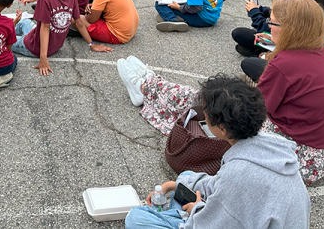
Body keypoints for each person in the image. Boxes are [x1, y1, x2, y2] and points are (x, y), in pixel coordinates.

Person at [120, 0, 324, 185]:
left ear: (291, 29)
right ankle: (150, 84)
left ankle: (146, 86)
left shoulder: (286, 63)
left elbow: (252, 110)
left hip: (293, 156)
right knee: (216, 97)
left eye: (273, 23)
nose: (269, 26)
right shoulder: (321, 53)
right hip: (322, 155)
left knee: (211, 101)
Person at [123, 76, 310, 229]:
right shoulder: (271, 146)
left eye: (206, 115)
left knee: (136, 218)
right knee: (187, 177)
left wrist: (196, 210)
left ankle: (177, 215)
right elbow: (223, 186)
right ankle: (178, 209)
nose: (203, 118)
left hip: (235, 218)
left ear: (221, 128)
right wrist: (172, 185)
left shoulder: (238, 172)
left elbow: (219, 222)